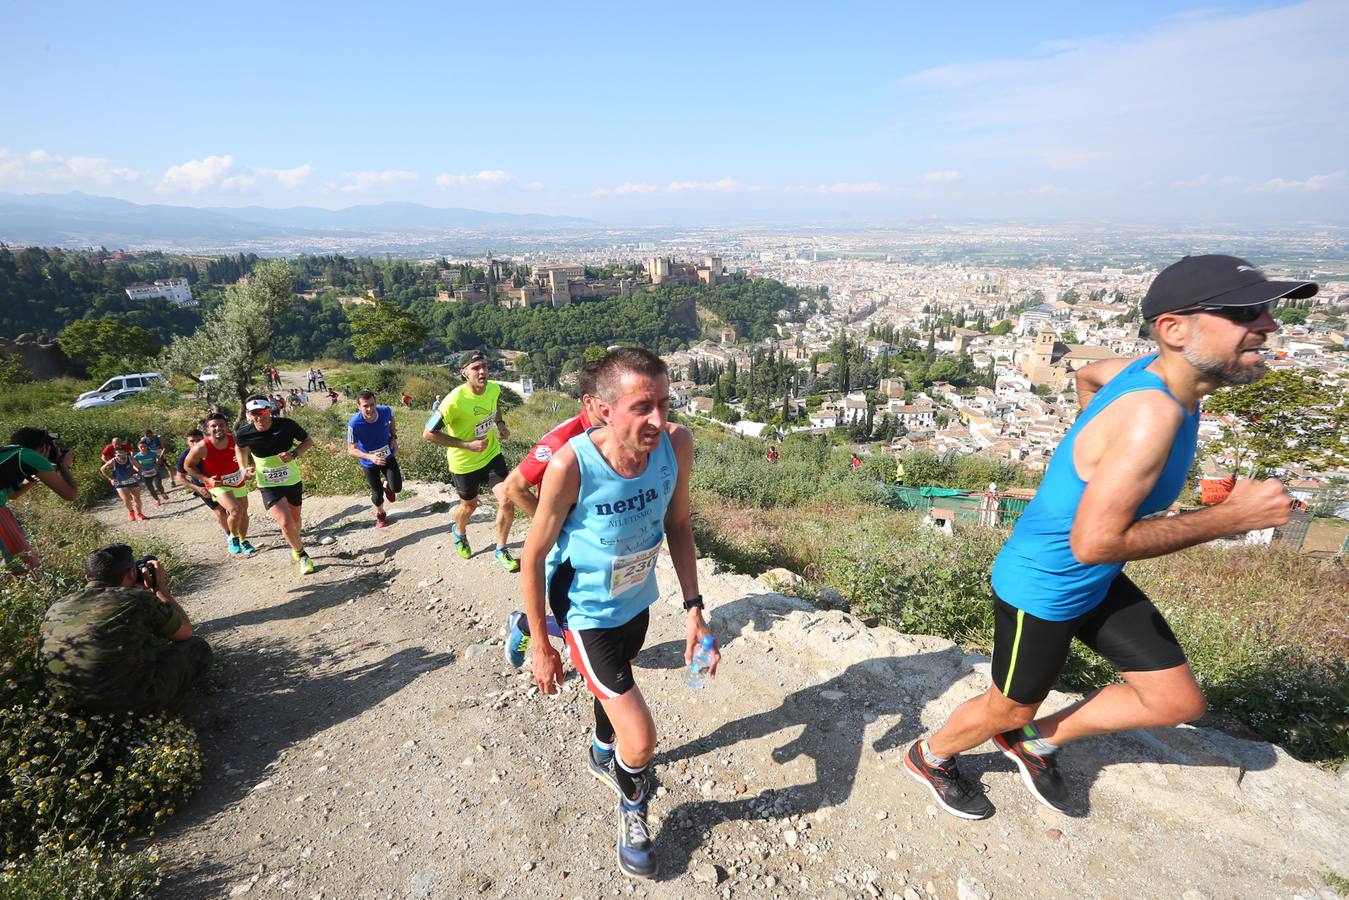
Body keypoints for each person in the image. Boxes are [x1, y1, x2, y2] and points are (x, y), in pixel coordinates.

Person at [904, 255, 1310, 821]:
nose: (1267, 324)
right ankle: (930, 754)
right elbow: (1092, 543)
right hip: (1042, 589)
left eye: (1265, 310)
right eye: (1244, 312)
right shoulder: (1152, 415)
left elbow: (1087, 375)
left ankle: (1034, 741)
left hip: (1094, 581)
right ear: (1174, 329)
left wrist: (1092, 442)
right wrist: (1231, 519)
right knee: (1007, 707)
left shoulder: (1150, 374)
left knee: (1175, 701)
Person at [520, 348, 718, 880]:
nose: (658, 419)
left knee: (615, 691)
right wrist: (543, 644)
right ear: (601, 408)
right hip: (585, 614)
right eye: (642, 406)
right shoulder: (571, 464)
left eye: (664, 402)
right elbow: (533, 555)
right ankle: (633, 809)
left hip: (637, 602)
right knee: (643, 737)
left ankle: (600, 748)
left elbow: (678, 524)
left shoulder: (677, 445)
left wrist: (695, 609)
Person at [500, 360, 607, 664]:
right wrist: (556, 526)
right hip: (567, 544)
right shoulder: (562, 440)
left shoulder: (614, 432)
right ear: (590, 402)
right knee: (584, 623)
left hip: (596, 534)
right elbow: (513, 487)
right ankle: (526, 627)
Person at [41, 544, 211, 714]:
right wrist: (160, 589)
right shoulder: (138, 600)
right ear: (131, 573)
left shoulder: (57, 606)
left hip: (68, 708)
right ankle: (169, 710)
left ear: (87, 577)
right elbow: (185, 632)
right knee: (197, 647)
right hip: (128, 707)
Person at [422, 351, 518, 572]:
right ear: (463, 372)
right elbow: (428, 433)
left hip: (491, 454)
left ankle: (501, 549)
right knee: (469, 507)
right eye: (475, 368)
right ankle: (459, 531)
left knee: (507, 499)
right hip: (464, 462)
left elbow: (495, 406)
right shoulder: (453, 401)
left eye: (484, 366)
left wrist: (501, 424)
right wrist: (467, 445)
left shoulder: (493, 389)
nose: (482, 371)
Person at [235, 396, 315, 574]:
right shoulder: (244, 432)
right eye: (254, 414)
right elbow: (239, 448)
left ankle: (296, 543)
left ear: (269, 411)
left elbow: (308, 441)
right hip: (267, 483)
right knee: (286, 522)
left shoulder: (286, 425)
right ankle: (302, 555)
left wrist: (294, 454)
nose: (259, 417)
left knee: (295, 520)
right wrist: (242, 468)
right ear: (249, 415)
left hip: (292, 480)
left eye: (262, 412)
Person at [0, 428, 78, 572]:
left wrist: (34, 475)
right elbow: (70, 495)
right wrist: (63, 465)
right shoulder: (29, 455)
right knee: (24, 564)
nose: (56, 450)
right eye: (53, 445)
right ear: (44, 447)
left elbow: (12, 495)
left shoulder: (9, 454)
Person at [184, 412, 256, 556]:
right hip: (217, 484)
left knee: (243, 512)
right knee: (236, 510)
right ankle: (233, 538)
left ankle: (243, 540)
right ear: (207, 429)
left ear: (227, 426)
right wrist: (206, 480)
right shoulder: (200, 447)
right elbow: (188, 466)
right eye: (214, 426)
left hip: (237, 480)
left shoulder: (235, 440)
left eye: (221, 425)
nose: (218, 428)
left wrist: (247, 469)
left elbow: (246, 454)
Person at [347, 391, 402, 528]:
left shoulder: (385, 411)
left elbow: (392, 421)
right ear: (359, 406)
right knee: (377, 494)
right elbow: (351, 449)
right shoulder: (354, 423)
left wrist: (393, 437)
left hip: (387, 455)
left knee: (397, 488)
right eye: (365, 406)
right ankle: (381, 514)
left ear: (376, 403)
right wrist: (370, 457)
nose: (370, 409)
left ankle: (387, 485)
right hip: (369, 462)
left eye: (372, 405)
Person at [173, 428, 230, 537]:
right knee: (220, 511)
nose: (195, 443)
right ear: (187, 442)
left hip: (220, 483)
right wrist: (197, 488)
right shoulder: (185, 456)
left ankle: (236, 531)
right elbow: (180, 477)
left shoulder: (211, 449)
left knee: (231, 509)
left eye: (198, 440)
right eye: (191, 441)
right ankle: (229, 535)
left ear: (203, 438)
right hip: (203, 487)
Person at [101, 444, 145, 522]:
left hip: (132, 480)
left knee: (137, 499)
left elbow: (139, 467)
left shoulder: (131, 459)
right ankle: (131, 512)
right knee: (126, 499)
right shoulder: (113, 461)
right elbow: (102, 469)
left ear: (126, 453)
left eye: (122, 453)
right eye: (118, 454)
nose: (120, 456)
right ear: (115, 455)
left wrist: (138, 473)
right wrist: (110, 479)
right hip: (120, 483)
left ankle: (139, 514)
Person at [133, 439, 165, 508]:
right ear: (138, 447)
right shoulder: (136, 456)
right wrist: (137, 469)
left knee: (158, 485)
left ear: (147, 446)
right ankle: (157, 499)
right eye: (141, 447)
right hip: (145, 474)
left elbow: (157, 459)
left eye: (144, 446)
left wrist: (158, 461)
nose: (143, 448)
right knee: (150, 488)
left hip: (154, 471)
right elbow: (133, 465)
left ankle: (162, 493)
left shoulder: (152, 453)